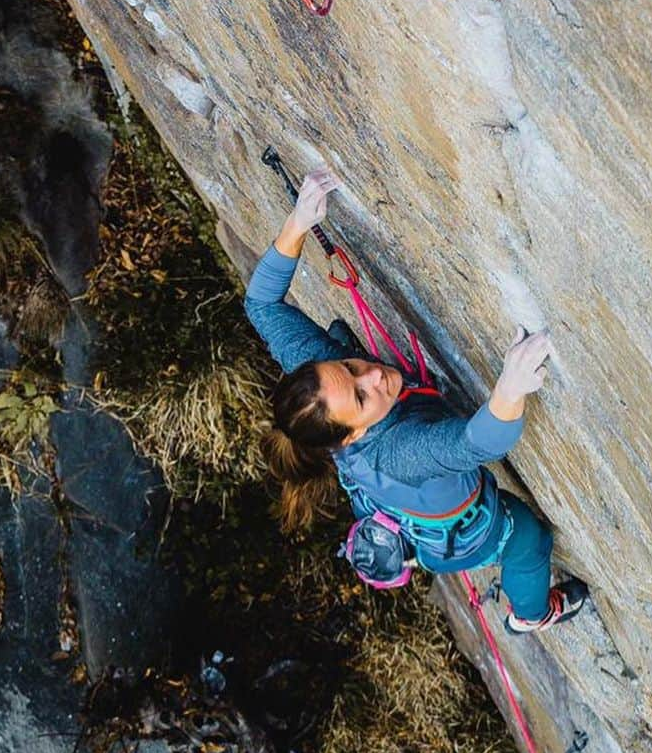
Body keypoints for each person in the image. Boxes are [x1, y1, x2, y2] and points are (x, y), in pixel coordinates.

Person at [244, 168, 587, 633]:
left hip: (395, 503)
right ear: (352, 434)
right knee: (528, 537)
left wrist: (299, 220)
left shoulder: (321, 385)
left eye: (349, 368)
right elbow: (475, 447)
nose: (373, 376)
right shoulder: (401, 451)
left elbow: (261, 305)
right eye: (363, 397)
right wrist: (510, 387)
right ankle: (529, 616)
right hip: (463, 536)